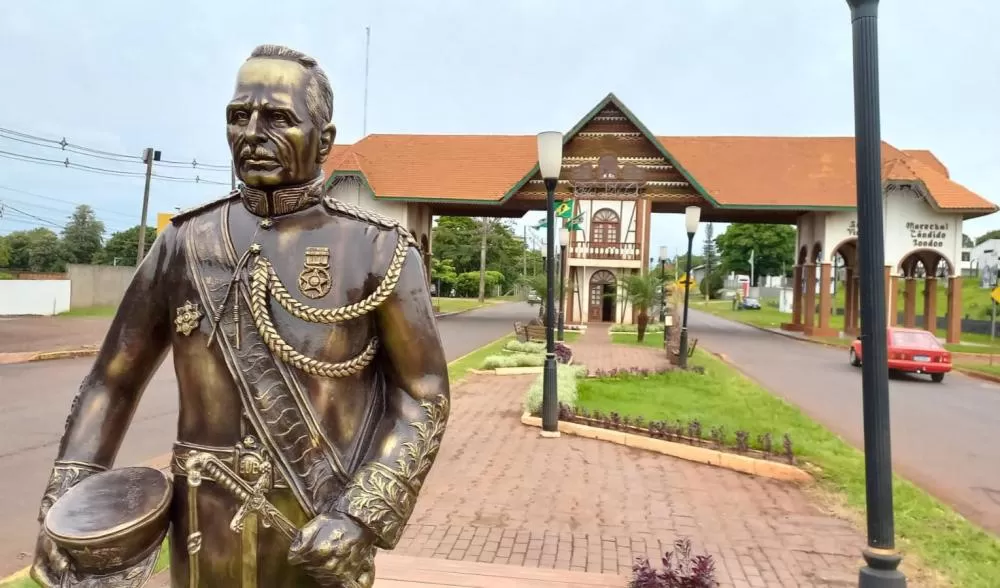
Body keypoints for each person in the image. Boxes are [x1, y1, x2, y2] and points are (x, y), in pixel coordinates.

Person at [31, 44, 450, 588]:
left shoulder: (378, 248)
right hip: (203, 535)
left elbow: (423, 393)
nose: (251, 133)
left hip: (317, 529)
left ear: (323, 139)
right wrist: (64, 503)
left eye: (277, 117)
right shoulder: (184, 242)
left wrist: (359, 516)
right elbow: (111, 381)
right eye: (238, 116)